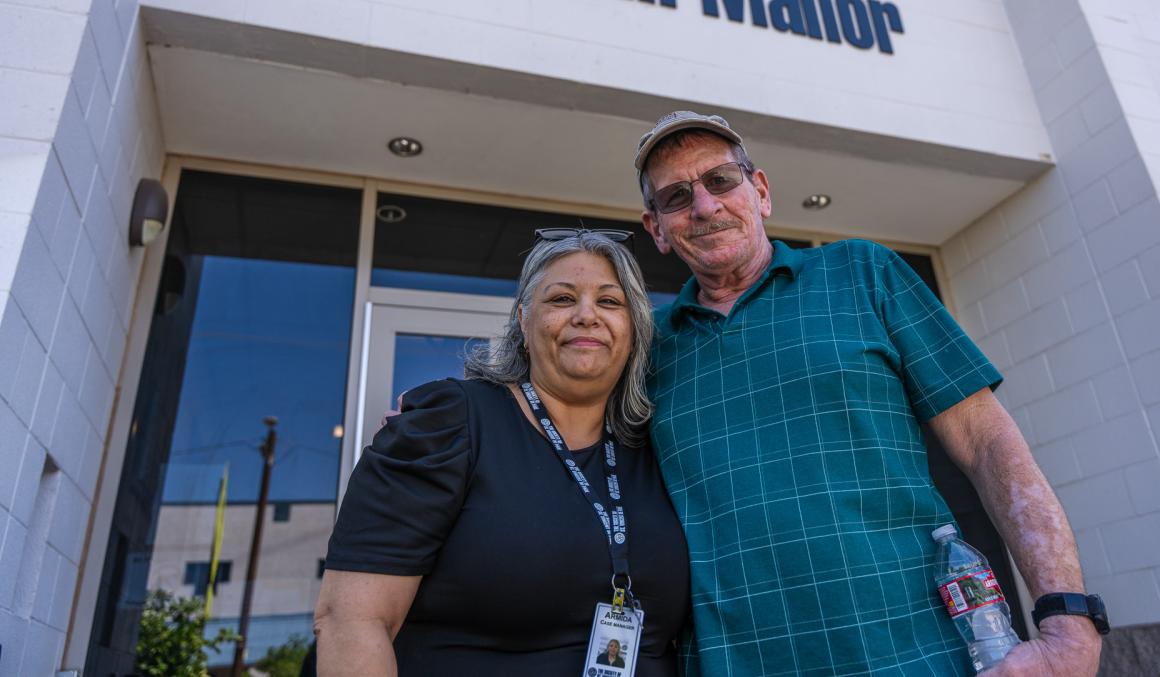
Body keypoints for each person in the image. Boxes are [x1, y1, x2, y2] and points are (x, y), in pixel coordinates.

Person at [634, 111, 1106, 676]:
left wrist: (1066, 618)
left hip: (917, 655)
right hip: (734, 663)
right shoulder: (647, 348)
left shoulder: (864, 272)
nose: (705, 206)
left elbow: (987, 442)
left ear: (759, 191)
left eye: (720, 180)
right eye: (677, 196)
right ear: (656, 228)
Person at [313, 229, 690, 676]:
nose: (587, 315)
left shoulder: (658, 446)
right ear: (524, 321)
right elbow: (351, 621)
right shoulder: (449, 425)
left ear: (634, 331)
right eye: (562, 299)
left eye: (609, 302)